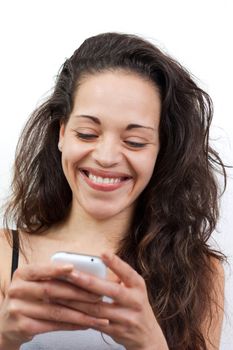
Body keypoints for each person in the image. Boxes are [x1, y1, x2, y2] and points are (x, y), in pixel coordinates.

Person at [0, 32, 226, 350]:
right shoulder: (4, 253)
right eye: (88, 133)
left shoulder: (200, 271)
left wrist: (150, 341)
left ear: (161, 149)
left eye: (135, 141)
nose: (106, 157)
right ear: (62, 133)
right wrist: (4, 337)